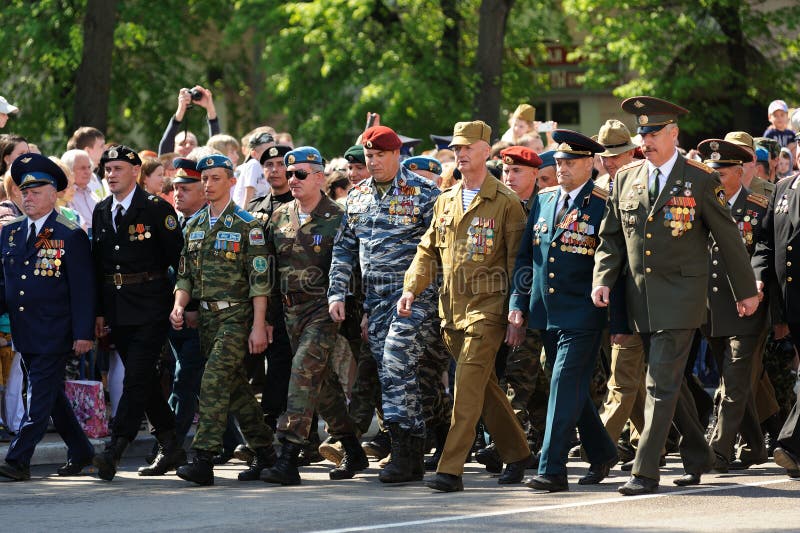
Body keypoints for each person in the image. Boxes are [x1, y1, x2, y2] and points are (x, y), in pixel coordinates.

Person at [592, 96, 760, 495]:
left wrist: (746, 290)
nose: (644, 140)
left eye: (652, 133)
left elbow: (729, 239)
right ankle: (699, 455)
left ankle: (645, 470)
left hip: (682, 299)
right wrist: (603, 278)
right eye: (641, 132)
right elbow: (611, 238)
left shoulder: (700, 179)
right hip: (640, 299)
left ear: (673, 134)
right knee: (669, 382)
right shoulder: (625, 178)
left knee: (660, 383)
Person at [400, 120, 533, 492]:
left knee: (465, 388)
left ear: (485, 151)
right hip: (451, 311)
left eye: (467, 147)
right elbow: (427, 250)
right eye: (456, 148)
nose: (459, 154)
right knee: (483, 387)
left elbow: (516, 264)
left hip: (488, 310)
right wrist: (412, 288)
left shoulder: (505, 202)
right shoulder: (445, 199)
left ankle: (451, 468)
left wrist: (515, 313)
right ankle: (518, 452)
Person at [328, 125, 441, 483]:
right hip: (374, 301)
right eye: (369, 157)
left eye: (379, 156)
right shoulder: (358, 196)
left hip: (415, 297)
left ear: (396, 155)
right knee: (394, 373)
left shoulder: (424, 193)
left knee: (395, 359)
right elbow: (344, 247)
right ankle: (410, 450)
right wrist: (336, 292)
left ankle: (408, 448)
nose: (373, 163)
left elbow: (439, 248)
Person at [509, 129, 617, 492]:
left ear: (590, 164)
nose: (563, 168)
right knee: (570, 388)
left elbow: (612, 258)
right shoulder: (545, 198)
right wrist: (518, 304)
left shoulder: (603, 201)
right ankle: (602, 451)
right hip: (546, 311)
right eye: (559, 162)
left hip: (584, 312)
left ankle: (552, 467)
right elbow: (527, 257)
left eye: (570, 163)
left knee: (561, 383)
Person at [259, 146, 366, 485]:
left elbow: (356, 269)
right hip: (291, 311)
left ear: (320, 177)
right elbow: (269, 271)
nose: (292, 179)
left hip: (325, 310)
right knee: (321, 387)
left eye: (300, 174)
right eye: (290, 174)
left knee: (302, 371)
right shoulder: (279, 217)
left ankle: (288, 455)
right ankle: (352, 446)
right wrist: (265, 318)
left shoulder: (340, 217)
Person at [172, 154, 277, 486]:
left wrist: (259, 325)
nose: (208, 184)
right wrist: (179, 305)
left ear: (232, 182)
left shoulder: (248, 225)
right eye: (204, 179)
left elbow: (260, 282)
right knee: (234, 390)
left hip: (236, 317)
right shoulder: (194, 225)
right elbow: (185, 275)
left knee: (213, 381)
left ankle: (203, 459)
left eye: (216, 178)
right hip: (206, 319)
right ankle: (266, 451)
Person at [91, 145, 184, 481]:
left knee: (135, 377)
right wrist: (100, 312)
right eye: (107, 169)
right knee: (141, 381)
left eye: (117, 169)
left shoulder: (157, 208)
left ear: (135, 172)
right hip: (118, 307)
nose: (111, 175)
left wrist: (184, 303)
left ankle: (115, 447)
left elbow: (179, 260)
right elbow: (98, 265)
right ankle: (170, 441)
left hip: (151, 305)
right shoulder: (101, 210)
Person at [0, 153, 95, 481]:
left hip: (56, 330)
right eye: (24, 192)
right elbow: (6, 283)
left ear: (54, 193)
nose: (28, 197)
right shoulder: (11, 234)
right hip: (24, 331)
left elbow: (83, 289)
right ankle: (82, 450)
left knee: (38, 396)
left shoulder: (69, 234)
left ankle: (18, 459)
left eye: (36, 191)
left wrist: (84, 332)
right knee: (51, 396)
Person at [693, 139, 770, 473]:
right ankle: (754, 445)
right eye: (711, 171)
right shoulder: (701, 204)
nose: (715, 177)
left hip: (747, 308)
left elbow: (766, 255)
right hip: (711, 308)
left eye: (721, 172)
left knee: (735, 380)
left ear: (740, 172)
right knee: (731, 376)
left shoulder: (758, 208)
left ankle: (719, 450)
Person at [139, 158, 208, 476]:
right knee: (204, 382)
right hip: (175, 315)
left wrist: (191, 306)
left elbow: (204, 274)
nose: (178, 194)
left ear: (203, 190)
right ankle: (242, 441)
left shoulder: (210, 223)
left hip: (202, 316)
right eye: (175, 188)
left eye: (186, 188)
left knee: (184, 380)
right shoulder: (176, 223)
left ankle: (170, 447)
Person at [752, 148, 800, 479]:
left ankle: (792, 443)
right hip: (792, 301)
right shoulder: (785, 188)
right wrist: (758, 276)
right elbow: (766, 242)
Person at [158, 86, 220, 157]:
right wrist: (181, 109)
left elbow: (217, 147)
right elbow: (165, 149)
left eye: (192, 143)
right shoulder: (168, 165)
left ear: (198, 148)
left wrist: (210, 107)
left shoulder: (204, 167)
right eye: (182, 144)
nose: (188, 146)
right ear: (173, 148)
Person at [61, 149, 98, 234]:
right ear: (69, 170)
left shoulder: (93, 194)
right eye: (82, 168)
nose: (88, 172)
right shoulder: (66, 195)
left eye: (89, 167)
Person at [233, 132, 275, 208]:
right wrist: (245, 216)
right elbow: (249, 191)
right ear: (254, 154)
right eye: (267, 152)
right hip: (244, 212)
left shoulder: (267, 168)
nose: (271, 155)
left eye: (273, 151)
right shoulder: (253, 164)